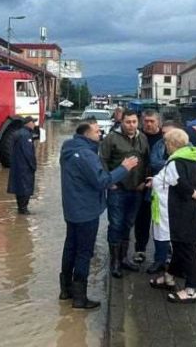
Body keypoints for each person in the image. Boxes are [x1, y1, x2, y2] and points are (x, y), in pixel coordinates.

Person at [59, 119, 139, 309]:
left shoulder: (68, 148)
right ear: (87, 134)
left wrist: (103, 180)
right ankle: (79, 298)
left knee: (70, 247)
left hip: (71, 208)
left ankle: (65, 290)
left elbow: (87, 177)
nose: (100, 134)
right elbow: (101, 181)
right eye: (96, 131)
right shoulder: (87, 155)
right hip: (86, 210)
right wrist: (124, 168)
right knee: (84, 252)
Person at [147, 128, 196, 304]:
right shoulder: (194, 158)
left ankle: (190, 291)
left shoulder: (175, 162)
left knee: (188, 251)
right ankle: (169, 277)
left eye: (166, 143)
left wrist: (193, 193)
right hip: (194, 212)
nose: (165, 146)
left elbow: (180, 184)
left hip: (182, 214)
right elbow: (176, 180)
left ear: (171, 144)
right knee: (181, 248)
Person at [100, 109, 149, 278]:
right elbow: (102, 161)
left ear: (138, 122)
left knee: (128, 225)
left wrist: (144, 180)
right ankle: (114, 262)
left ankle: (124, 258)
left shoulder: (142, 138)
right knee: (116, 224)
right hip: (117, 190)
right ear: (122, 122)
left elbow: (147, 161)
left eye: (134, 122)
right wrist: (109, 181)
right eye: (128, 122)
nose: (131, 125)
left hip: (136, 190)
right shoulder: (111, 138)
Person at [146, 119, 184, 274]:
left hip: (177, 199)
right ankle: (160, 259)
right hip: (159, 196)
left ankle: (177, 262)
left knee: (177, 231)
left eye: (168, 135)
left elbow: (182, 175)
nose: (165, 138)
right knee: (159, 229)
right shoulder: (160, 146)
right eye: (163, 134)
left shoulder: (187, 153)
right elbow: (154, 163)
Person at [132, 109, 163, 265]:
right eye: (146, 121)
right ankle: (140, 249)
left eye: (152, 121)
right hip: (141, 185)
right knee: (141, 218)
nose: (149, 124)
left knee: (160, 220)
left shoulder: (165, 138)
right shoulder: (137, 137)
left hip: (161, 186)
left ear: (158, 122)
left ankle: (163, 253)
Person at [7, 116, 37, 214]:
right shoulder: (26, 135)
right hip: (25, 166)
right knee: (26, 187)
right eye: (33, 122)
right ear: (29, 123)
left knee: (19, 187)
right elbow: (28, 153)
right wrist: (33, 166)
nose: (35, 125)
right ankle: (23, 210)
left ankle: (21, 208)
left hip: (17, 166)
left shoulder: (18, 133)